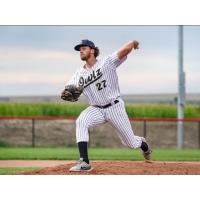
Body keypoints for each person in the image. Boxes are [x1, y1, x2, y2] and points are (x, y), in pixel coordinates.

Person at [66, 39, 152, 172]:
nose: (81, 51)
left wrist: (133, 43)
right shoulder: (78, 74)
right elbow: (68, 89)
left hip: (114, 107)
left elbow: (124, 50)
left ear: (92, 50)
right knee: (81, 121)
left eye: (83, 48)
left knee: (130, 143)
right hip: (96, 109)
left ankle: (143, 144)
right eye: (79, 49)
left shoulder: (106, 63)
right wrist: (67, 93)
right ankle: (84, 162)